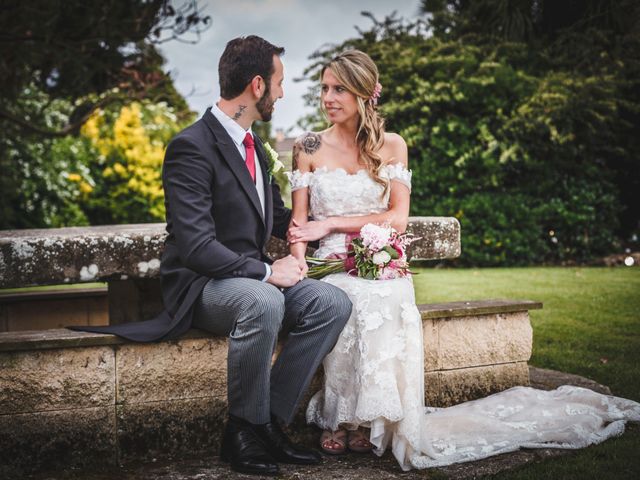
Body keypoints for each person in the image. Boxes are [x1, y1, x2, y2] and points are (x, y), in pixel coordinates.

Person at [286, 49, 640, 470]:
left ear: (364, 93)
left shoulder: (392, 145)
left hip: (380, 262)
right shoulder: (307, 145)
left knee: (383, 299)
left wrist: (333, 225)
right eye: (324, 88)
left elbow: (396, 218)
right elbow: (298, 224)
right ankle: (338, 419)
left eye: (339, 88)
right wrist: (299, 260)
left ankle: (368, 422)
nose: (328, 97)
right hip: (330, 268)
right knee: (345, 301)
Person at [71, 36, 352, 476]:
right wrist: (265, 271)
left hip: (252, 283)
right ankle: (241, 430)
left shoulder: (256, 147)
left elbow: (279, 218)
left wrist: (335, 225)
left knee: (331, 303)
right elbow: (197, 247)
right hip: (203, 286)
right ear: (257, 86)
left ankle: (272, 424)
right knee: (264, 299)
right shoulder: (191, 147)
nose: (282, 93)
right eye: (278, 83)